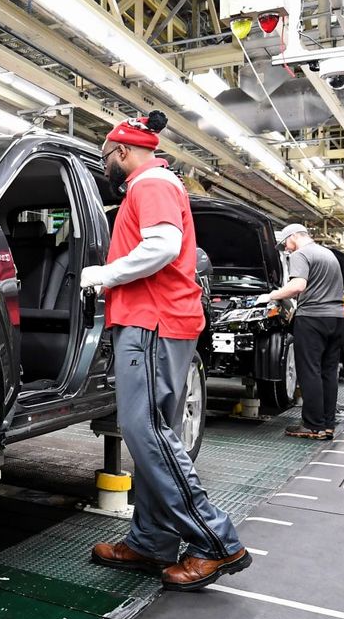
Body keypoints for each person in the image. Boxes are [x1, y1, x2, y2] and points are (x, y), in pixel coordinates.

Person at [81, 110, 249, 592]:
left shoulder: (149, 183)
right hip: (157, 322)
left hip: (151, 321)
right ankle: (153, 540)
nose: (107, 165)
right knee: (155, 434)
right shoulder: (160, 184)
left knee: (147, 431)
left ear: (125, 152)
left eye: (108, 156)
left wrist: (103, 274)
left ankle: (217, 541)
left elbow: (161, 246)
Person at [269, 225, 344, 440]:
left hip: (313, 318)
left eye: (285, 242)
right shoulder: (328, 254)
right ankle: (327, 424)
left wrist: (272, 295)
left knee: (309, 371)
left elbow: (298, 286)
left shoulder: (301, 254)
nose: (285, 247)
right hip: (336, 318)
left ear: (294, 236)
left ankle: (312, 425)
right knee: (328, 372)